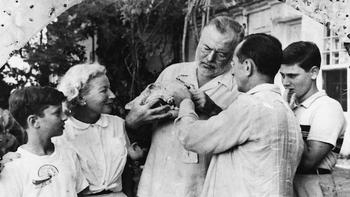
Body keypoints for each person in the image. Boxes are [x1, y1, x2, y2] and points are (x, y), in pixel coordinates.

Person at [126, 16, 244, 197]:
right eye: (206, 48)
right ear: (199, 42)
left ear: (234, 55)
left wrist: (213, 110)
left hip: (200, 187)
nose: (209, 58)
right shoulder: (172, 72)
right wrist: (134, 121)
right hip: (155, 184)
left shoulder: (239, 87)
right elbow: (140, 126)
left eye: (221, 54)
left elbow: (240, 139)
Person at [175, 33, 304, 196]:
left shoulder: (249, 105)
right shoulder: (286, 111)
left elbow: (192, 137)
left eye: (234, 64)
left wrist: (185, 102)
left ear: (248, 67)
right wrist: (212, 108)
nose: (232, 72)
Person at [55, 63, 168, 197]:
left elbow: (127, 171)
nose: (112, 95)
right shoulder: (61, 132)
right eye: (104, 90)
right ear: (80, 98)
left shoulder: (117, 124)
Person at [280, 41, 346, 197]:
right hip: (289, 186)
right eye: (282, 75)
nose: (285, 82)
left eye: (292, 75)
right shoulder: (291, 106)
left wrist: (285, 114)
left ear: (314, 73)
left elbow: (308, 161)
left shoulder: (327, 107)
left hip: (314, 187)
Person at [0, 86, 88, 197]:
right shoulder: (14, 166)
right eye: (57, 113)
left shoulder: (68, 154)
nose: (65, 117)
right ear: (34, 121)